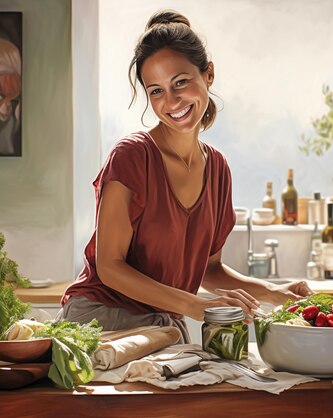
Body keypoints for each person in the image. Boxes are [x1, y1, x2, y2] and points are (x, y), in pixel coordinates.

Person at [59, 9, 312, 342]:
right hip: (101, 317)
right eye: (156, 91)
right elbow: (110, 267)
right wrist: (196, 306)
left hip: (162, 322)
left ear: (208, 75)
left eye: (180, 82)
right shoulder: (132, 157)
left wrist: (271, 291)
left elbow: (210, 269)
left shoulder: (218, 169)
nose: (172, 101)